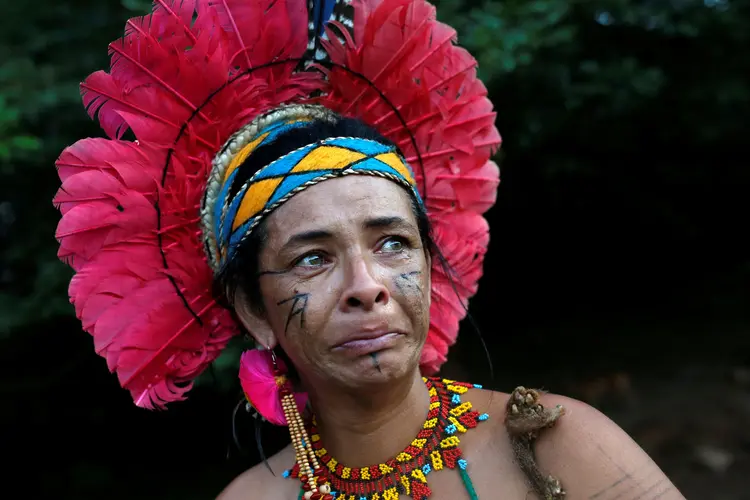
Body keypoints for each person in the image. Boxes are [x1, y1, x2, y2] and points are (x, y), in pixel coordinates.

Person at [53, 0, 686, 499]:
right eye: (313, 257)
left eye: (392, 243)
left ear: (430, 266)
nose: (368, 284)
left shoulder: (555, 443)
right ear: (252, 310)